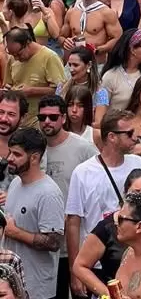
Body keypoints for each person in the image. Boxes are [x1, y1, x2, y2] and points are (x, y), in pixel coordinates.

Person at [35, 94, 97, 298]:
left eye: (53, 117)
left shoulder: (83, 148)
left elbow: (96, 187)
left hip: (75, 243)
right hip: (42, 245)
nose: (47, 122)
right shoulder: (34, 148)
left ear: (63, 118)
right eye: (42, 117)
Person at [71, 168, 141, 298]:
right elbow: (80, 265)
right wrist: (110, 294)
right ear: (125, 194)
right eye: (136, 193)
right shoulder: (107, 228)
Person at [4, 126, 65, 299]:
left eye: (17, 154)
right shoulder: (15, 183)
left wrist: (15, 233)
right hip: (13, 286)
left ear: (34, 158)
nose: (10, 158)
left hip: (37, 289)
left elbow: (54, 242)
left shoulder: (49, 193)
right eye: (10, 152)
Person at [3, 26, 66, 126]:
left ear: (28, 43)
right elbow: (8, 83)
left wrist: (32, 91)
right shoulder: (12, 59)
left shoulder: (49, 57)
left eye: (19, 54)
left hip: (41, 121)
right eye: (13, 55)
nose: (16, 58)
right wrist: (7, 90)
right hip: (17, 121)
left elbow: (61, 90)